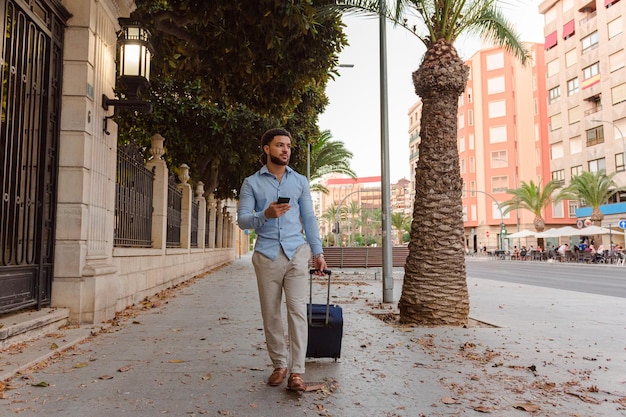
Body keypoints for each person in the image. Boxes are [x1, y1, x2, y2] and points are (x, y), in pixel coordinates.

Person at [237, 128, 327, 392]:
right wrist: (265, 214)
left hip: (297, 253)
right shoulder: (251, 183)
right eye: (279, 145)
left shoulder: (299, 181)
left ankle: (297, 372)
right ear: (266, 149)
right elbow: (243, 219)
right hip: (266, 254)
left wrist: (318, 252)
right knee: (271, 313)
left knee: (297, 311)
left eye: (288, 145)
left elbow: (309, 218)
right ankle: (279, 364)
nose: (285, 150)